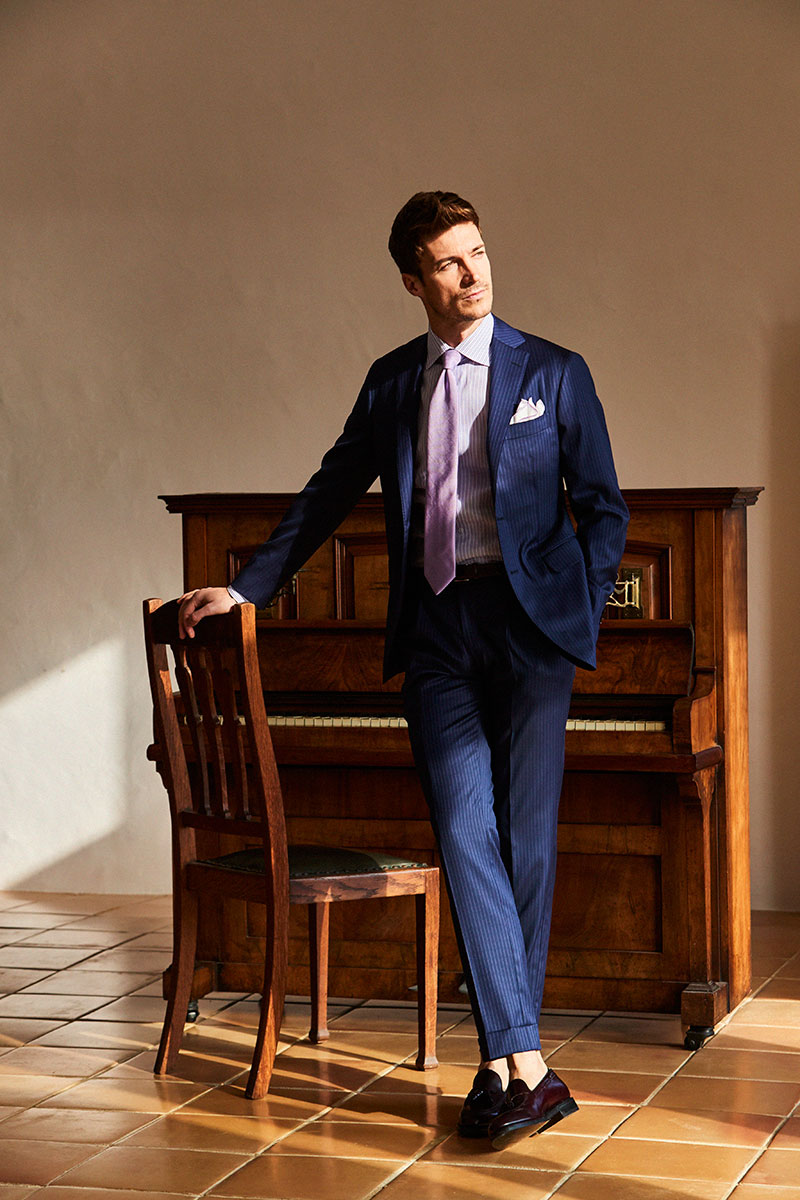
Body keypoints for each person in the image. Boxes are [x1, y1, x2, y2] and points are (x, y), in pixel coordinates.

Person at [178, 191, 629, 1149]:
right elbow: (330, 489)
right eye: (449, 263)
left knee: (525, 843)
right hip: (435, 632)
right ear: (412, 280)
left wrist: (576, 616)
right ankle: (528, 1066)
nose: (473, 275)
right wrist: (248, 588)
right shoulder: (392, 382)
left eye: (479, 253)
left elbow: (604, 508)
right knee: (465, 831)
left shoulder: (554, 371)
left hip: (530, 629)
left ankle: (504, 1069)